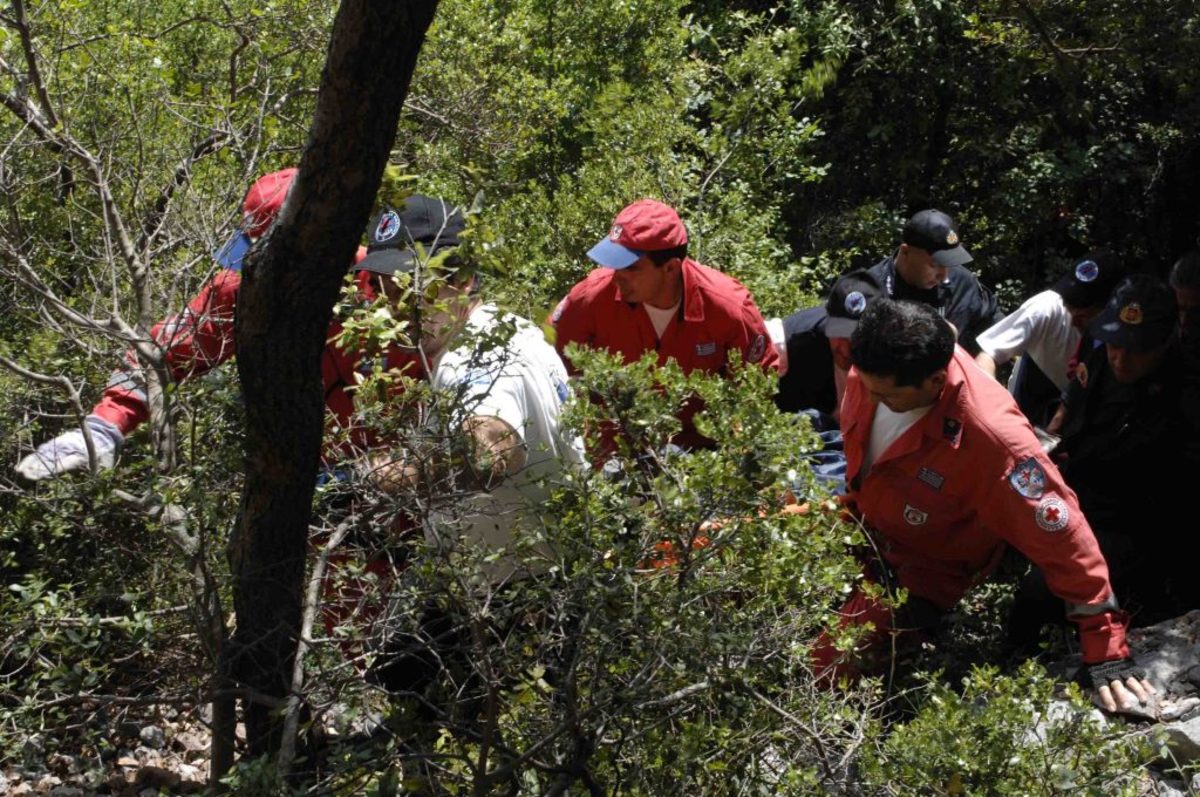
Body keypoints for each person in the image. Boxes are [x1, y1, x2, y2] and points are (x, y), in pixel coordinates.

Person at [813, 298, 1150, 714]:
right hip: (860, 515)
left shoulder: (993, 441)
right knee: (724, 546)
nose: (870, 398)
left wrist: (1105, 642)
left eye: (885, 395)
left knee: (824, 668)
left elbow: (1064, 538)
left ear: (936, 381)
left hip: (921, 569)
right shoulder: (880, 365)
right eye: (864, 385)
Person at [14, 168, 420, 481]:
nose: (257, 270)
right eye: (255, 253)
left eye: (272, 258)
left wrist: (388, 469)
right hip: (296, 494)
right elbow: (165, 354)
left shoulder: (386, 287)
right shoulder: (242, 290)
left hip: (397, 487)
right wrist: (105, 426)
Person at [355, 197, 585, 695]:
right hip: (537, 574)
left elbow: (491, 451)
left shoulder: (469, 358)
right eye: (386, 286)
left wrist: (383, 478)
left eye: (414, 287)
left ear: (462, 281)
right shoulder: (515, 328)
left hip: (504, 592)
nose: (395, 304)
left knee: (417, 711)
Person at [1011, 275, 1197, 627]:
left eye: (1137, 349)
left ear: (1165, 341)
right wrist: (1043, 448)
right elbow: (1069, 406)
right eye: (1116, 344)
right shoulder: (1101, 352)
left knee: (1039, 593)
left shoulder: (1183, 394)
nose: (1121, 359)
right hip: (1074, 484)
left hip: (1130, 520)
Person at [549, 198, 778, 453]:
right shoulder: (590, 299)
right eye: (614, 265)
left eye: (631, 268)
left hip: (701, 453)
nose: (616, 277)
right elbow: (550, 365)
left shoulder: (728, 309)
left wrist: (734, 456)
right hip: (616, 449)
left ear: (670, 268)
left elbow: (756, 388)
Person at [824, 209, 1002, 414]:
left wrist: (986, 362)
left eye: (949, 264)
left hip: (952, 397)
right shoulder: (867, 292)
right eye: (935, 264)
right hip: (887, 403)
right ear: (905, 251)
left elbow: (995, 326)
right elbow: (844, 360)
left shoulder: (962, 282)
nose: (943, 274)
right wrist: (849, 413)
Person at [973, 251, 1128, 426]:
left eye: (1086, 314)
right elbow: (987, 355)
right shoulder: (1047, 307)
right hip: (1023, 409)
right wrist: (990, 407)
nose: (1074, 318)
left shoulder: (1124, 342)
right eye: (1070, 306)